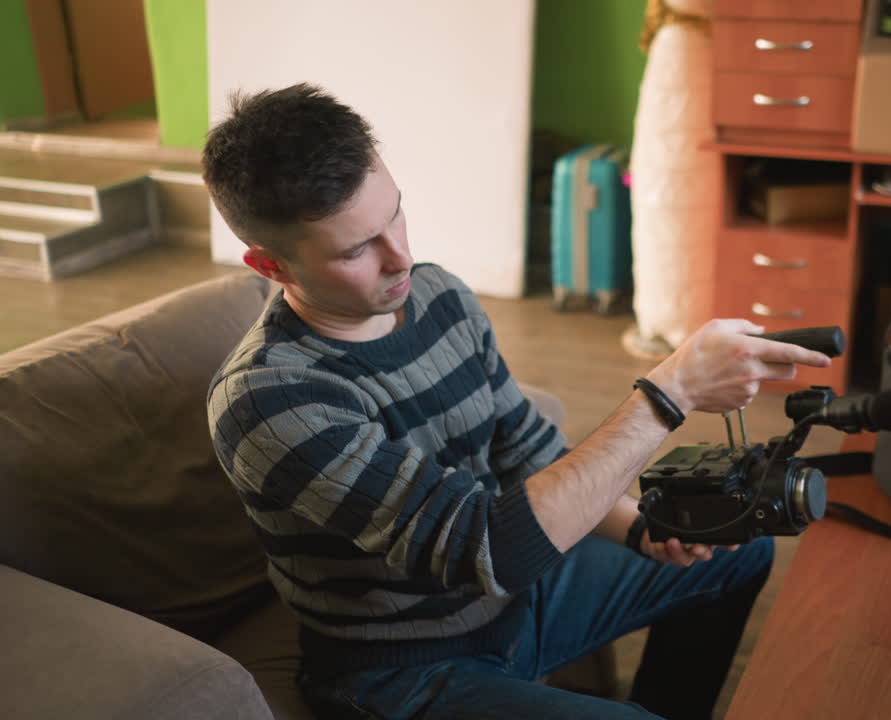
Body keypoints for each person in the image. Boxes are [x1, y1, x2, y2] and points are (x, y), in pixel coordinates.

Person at [203, 83, 830, 720]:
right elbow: (488, 550)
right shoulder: (269, 401)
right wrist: (671, 393)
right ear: (270, 266)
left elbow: (527, 449)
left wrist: (644, 530)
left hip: (517, 603)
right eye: (356, 249)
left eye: (394, 215)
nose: (401, 257)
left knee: (739, 552)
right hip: (403, 670)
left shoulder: (439, 294)